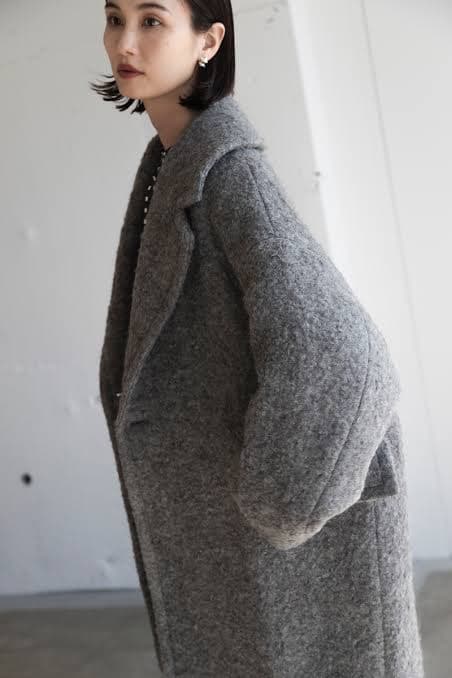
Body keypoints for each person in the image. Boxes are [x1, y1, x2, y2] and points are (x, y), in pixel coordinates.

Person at [93, 1, 425, 676]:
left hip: (275, 554)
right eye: (114, 16)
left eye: (152, 20)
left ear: (208, 41)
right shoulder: (179, 164)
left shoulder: (230, 176)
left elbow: (345, 354)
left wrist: (277, 501)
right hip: (232, 547)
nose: (124, 41)